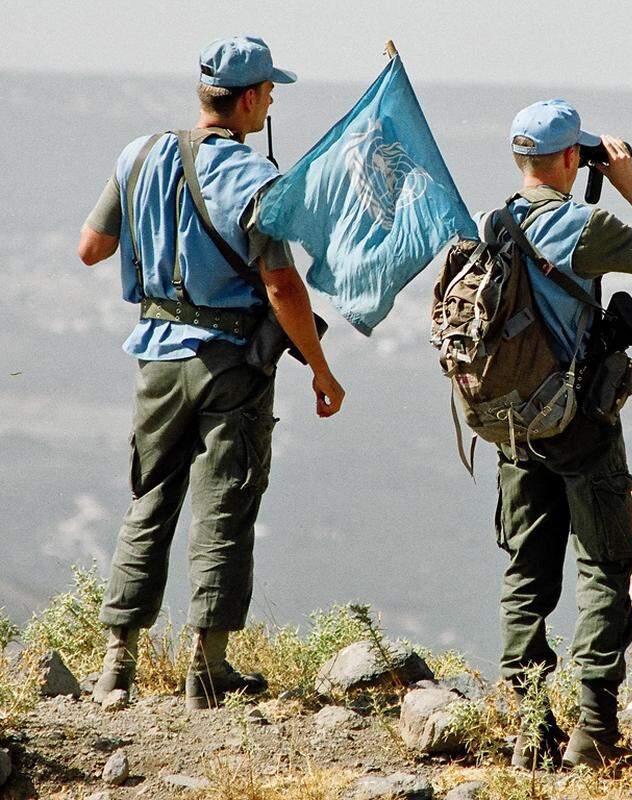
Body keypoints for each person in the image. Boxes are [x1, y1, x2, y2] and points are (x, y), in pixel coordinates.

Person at [76, 36, 345, 710]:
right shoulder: (255, 181)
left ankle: (116, 666)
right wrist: (320, 367)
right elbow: (283, 289)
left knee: (149, 498)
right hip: (231, 362)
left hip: (157, 356)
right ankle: (208, 670)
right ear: (250, 99)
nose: (271, 102)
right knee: (226, 504)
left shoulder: (136, 154)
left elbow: (91, 248)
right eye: (270, 93)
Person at [494, 99, 632, 769]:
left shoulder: (486, 223)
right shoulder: (586, 225)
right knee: (605, 564)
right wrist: (628, 183)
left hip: (512, 422)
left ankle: (529, 728)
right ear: (565, 159)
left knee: (527, 568)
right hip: (580, 422)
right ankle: (594, 730)